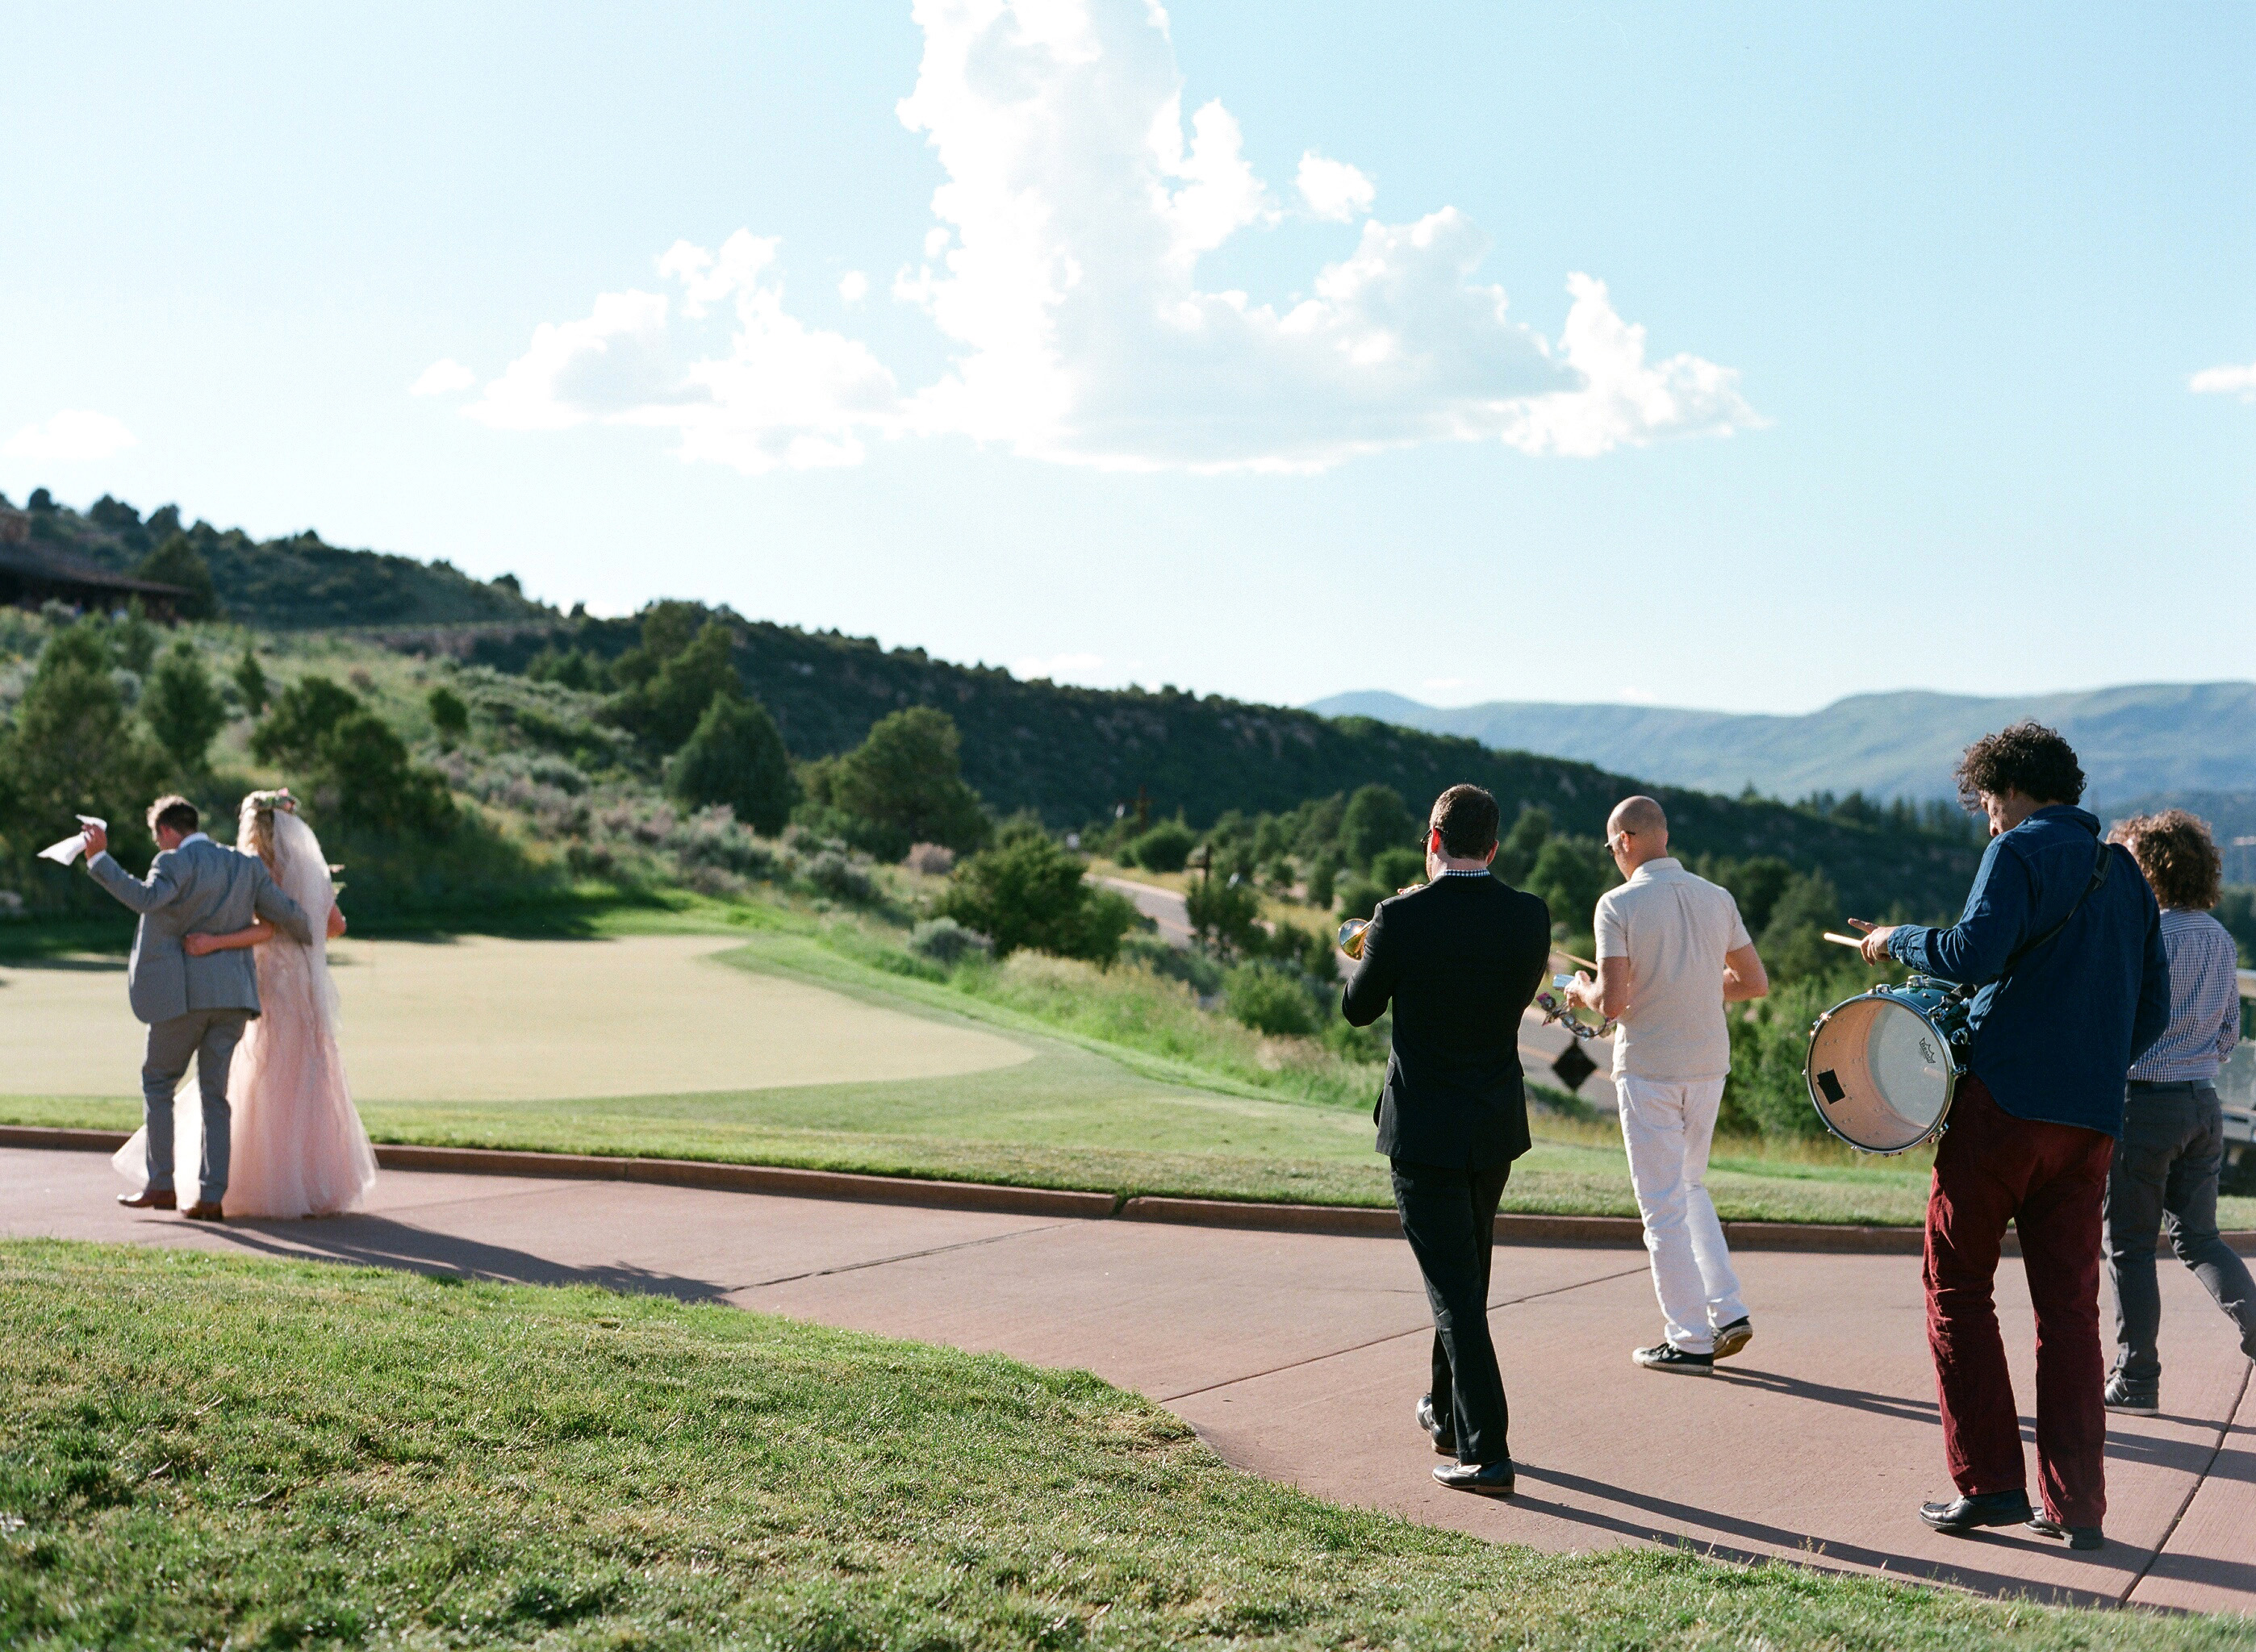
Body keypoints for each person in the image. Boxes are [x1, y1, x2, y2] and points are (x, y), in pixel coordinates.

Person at [1857, 722, 2169, 1552]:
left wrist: (1897, 941)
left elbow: (1970, 952)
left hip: (2004, 1109)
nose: (1987, 820)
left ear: (2007, 789)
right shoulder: (2128, 872)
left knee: (1956, 1286)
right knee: (2069, 1312)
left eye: (1987, 803)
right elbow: (2156, 1012)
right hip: (2091, 1121)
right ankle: (2077, 1508)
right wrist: (2091, 1064)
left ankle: (1990, 1482)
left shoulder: (2018, 849)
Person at [1342, 783, 1552, 1499]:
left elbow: (1357, 1009)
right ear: (1493, 848)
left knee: (1456, 1294)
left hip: (1423, 1128)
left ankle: (1487, 1450)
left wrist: (1380, 937)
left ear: (1432, 840)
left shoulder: (1399, 917)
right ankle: (1444, 1415)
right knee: (1465, 1274)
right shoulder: (1530, 916)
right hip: (1492, 1125)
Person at [1565, 795, 1769, 1374]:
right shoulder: (1716, 897)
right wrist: (1698, 985)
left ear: (1625, 841)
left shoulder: (1616, 905)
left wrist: (1580, 992)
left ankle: (1688, 1338)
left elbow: (1614, 1002)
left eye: (1612, 847)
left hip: (1651, 1068)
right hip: (1709, 1065)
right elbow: (1754, 982)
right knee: (1690, 1186)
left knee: (1660, 1208)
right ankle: (1727, 1310)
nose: (1613, 857)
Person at [113, 791, 374, 1219]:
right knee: (250, 1089)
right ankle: (237, 1192)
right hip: (268, 990)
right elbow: (314, 924)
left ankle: (172, 1183)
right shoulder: (277, 868)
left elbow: (149, 900)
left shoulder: (220, 864)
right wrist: (304, 926)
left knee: (186, 1082)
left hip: (231, 986)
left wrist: (216, 939)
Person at [81, 795, 313, 1221]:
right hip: (234, 1000)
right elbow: (291, 916)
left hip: (181, 997)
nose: (159, 845)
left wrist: (99, 861)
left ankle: (162, 1184)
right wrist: (313, 933)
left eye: (158, 837)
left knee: (158, 1082)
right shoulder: (246, 866)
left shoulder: (173, 864)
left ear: (168, 831)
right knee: (215, 1096)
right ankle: (211, 1197)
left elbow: (146, 899)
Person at [2099, 810, 2256, 1414]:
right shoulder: (2219, 937)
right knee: (2200, 1240)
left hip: (2143, 1107)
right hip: (2203, 1104)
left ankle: (2136, 1379)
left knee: (2131, 1247)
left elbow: (2115, 1021)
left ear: (2148, 870)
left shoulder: (2141, 934)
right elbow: (2227, 1034)